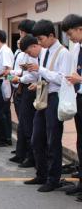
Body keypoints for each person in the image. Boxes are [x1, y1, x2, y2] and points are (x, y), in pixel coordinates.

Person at [24, 19, 71, 193]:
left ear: (52, 35)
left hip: (55, 97)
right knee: (37, 138)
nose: (39, 42)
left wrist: (41, 70)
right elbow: (45, 75)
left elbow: (62, 78)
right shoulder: (44, 52)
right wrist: (37, 78)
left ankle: (53, 179)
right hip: (43, 96)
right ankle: (41, 174)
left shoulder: (63, 53)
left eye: (41, 38)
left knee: (53, 140)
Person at [10, 35, 41, 168]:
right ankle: (27, 155)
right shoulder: (33, 54)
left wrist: (20, 78)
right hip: (29, 88)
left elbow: (35, 75)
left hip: (33, 89)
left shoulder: (43, 53)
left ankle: (32, 157)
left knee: (29, 125)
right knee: (25, 124)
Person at [61, 14, 82, 198]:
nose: (70, 38)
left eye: (70, 33)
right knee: (79, 141)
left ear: (80, 29)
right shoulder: (76, 48)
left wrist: (80, 79)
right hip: (79, 98)